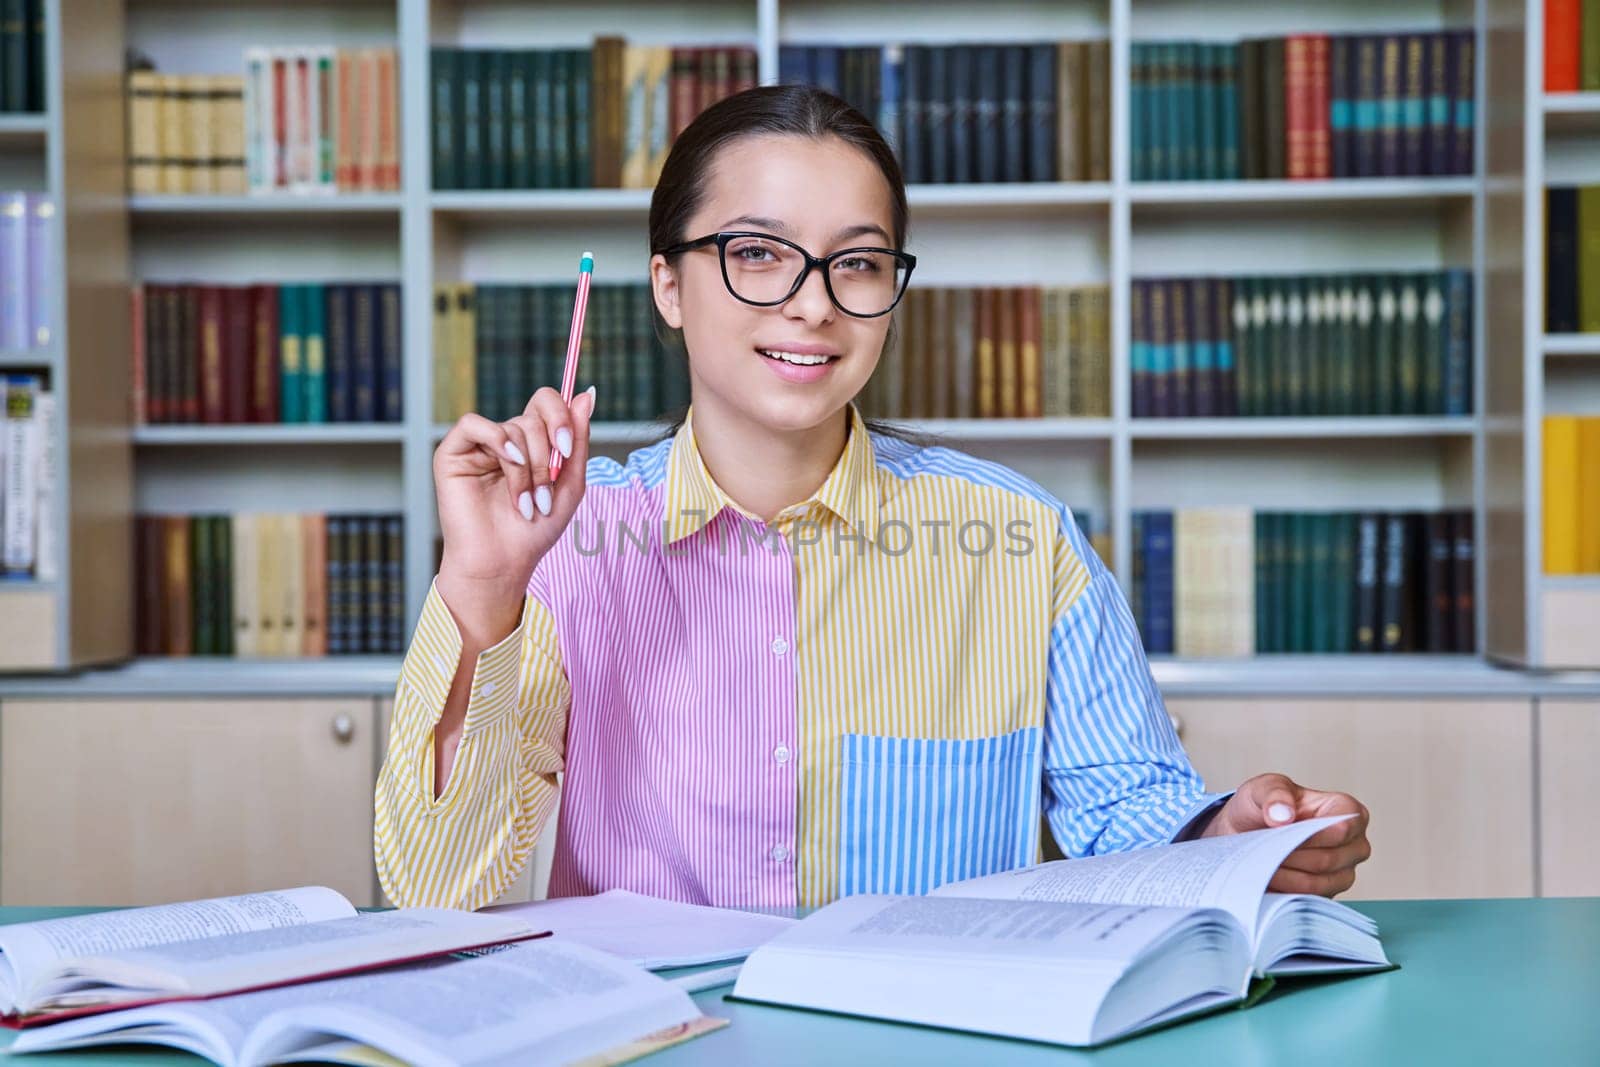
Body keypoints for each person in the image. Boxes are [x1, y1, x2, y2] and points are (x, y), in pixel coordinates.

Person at [375, 85, 1371, 912]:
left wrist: (1231, 836)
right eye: (757, 254)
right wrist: (484, 582)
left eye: (855, 262)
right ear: (668, 288)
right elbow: (433, 886)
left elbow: (1130, 809)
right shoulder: (565, 546)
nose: (812, 302)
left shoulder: (1019, 539)